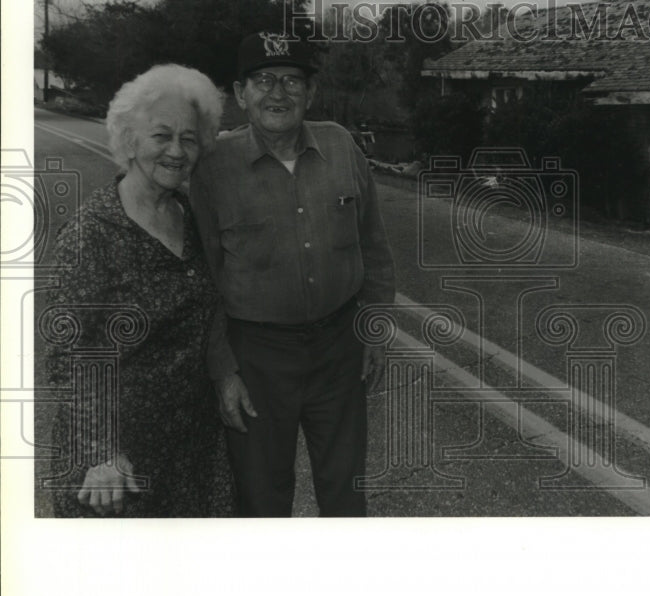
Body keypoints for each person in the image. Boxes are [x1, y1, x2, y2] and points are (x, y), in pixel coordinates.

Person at [189, 31, 395, 517]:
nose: (277, 93)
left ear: (311, 93)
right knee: (261, 499)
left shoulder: (342, 146)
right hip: (257, 357)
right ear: (240, 94)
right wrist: (223, 372)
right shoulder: (213, 167)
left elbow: (375, 247)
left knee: (346, 492)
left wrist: (376, 328)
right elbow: (203, 281)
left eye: (291, 80)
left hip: (339, 349)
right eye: (263, 80)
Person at [43, 64, 236, 517]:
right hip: (116, 465)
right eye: (161, 136)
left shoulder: (192, 217)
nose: (176, 151)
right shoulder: (93, 233)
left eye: (189, 138)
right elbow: (69, 355)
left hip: (193, 448)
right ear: (129, 140)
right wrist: (100, 449)